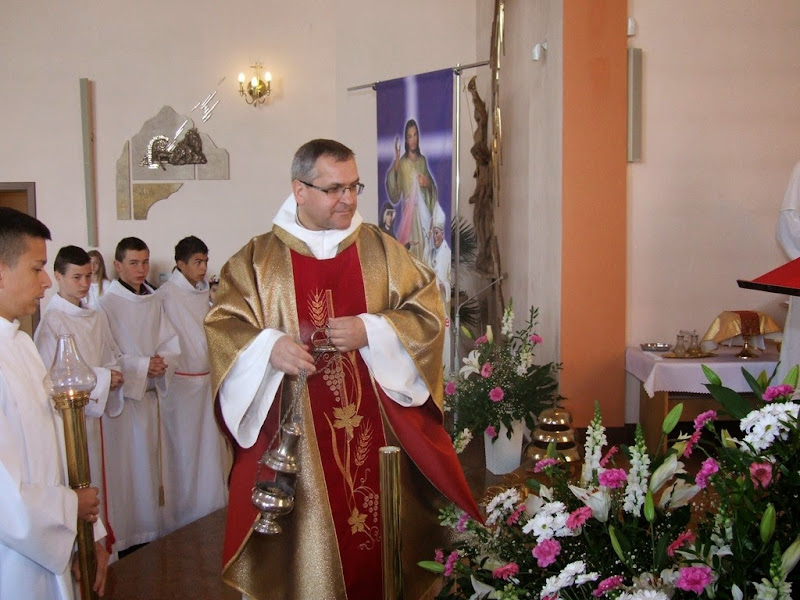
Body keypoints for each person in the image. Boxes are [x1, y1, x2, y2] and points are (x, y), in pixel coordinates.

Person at [205, 139, 480, 600]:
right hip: (297, 440)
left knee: (381, 546)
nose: (348, 199)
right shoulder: (257, 261)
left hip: (378, 439)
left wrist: (372, 330)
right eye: (334, 189)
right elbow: (223, 326)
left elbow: (428, 313)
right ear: (300, 189)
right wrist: (268, 348)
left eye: (354, 186)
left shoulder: (380, 249)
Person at [0, 208, 108, 599]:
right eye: (37, 268)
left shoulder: (21, 346)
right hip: (14, 566)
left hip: (51, 546)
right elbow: (6, 499)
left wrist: (87, 531)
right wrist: (70, 509)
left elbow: (58, 444)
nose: (46, 281)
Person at [34, 245, 125, 556]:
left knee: (100, 483)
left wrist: (113, 373)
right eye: (76, 277)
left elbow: (109, 355)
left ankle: (102, 550)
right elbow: (55, 379)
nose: (85, 283)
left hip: (95, 418)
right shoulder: (53, 322)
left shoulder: (94, 315)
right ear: (58, 277)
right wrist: (103, 378)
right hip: (71, 422)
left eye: (88, 276)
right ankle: (83, 553)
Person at [97, 237, 180, 551]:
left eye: (145, 262)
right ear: (117, 265)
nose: (141, 269)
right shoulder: (105, 304)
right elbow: (105, 354)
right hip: (122, 403)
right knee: (126, 473)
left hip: (148, 398)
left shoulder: (154, 300)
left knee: (148, 471)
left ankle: (149, 532)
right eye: (133, 263)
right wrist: (144, 366)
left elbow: (169, 342)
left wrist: (162, 362)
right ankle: (126, 537)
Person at [155, 235, 229, 534]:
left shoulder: (203, 294)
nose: (203, 268)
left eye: (205, 261)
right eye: (197, 262)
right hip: (181, 387)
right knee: (184, 455)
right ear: (180, 264)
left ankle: (209, 507)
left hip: (206, 382)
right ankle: (183, 514)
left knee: (210, 452)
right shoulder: (165, 296)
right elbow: (165, 340)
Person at [385, 119, 440, 263]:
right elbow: (395, 194)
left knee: (423, 251)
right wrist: (396, 164)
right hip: (408, 217)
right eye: (409, 136)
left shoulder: (422, 161)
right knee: (410, 251)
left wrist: (427, 183)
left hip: (423, 216)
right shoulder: (402, 163)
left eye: (415, 135)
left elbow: (432, 188)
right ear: (406, 140)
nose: (413, 139)